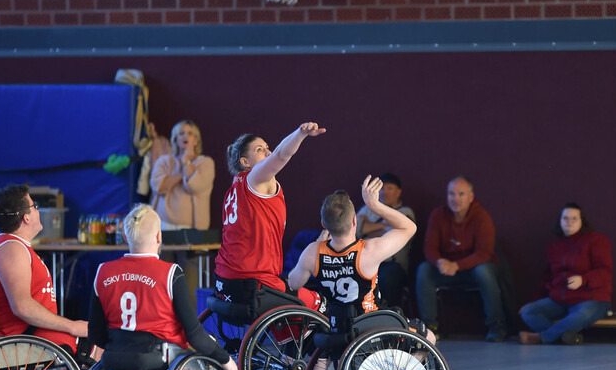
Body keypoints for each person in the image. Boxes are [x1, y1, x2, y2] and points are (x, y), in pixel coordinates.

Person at [87, 204, 240, 370]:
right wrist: (226, 360)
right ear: (159, 236)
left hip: (116, 358)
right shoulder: (170, 273)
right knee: (208, 346)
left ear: (125, 236)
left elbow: (95, 335)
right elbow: (194, 334)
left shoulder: (103, 271)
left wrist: (120, 345)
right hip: (160, 361)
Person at [289, 175, 434, 344]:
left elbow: (293, 283)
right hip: (371, 323)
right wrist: (375, 205)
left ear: (323, 223)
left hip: (334, 325)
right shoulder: (369, 250)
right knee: (428, 337)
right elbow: (410, 227)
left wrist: (317, 244)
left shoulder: (313, 251)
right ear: (354, 221)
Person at [213, 122, 326, 311]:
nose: (267, 152)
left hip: (225, 280)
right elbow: (281, 155)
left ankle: (288, 339)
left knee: (285, 312)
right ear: (245, 162)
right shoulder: (255, 178)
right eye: (259, 149)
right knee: (321, 304)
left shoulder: (234, 189)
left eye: (267, 147)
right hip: (255, 281)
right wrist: (300, 133)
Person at [0, 184, 92, 355]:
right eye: (35, 206)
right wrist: (72, 325)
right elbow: (22, 307)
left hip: (32, 333)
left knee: (93, 336)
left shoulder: (15, 246)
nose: (38, 211)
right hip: (22, 338)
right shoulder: (12, 249)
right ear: (26, 218)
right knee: (97, 341)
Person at [416, 176, 509, 342]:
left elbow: (485, 253)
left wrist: (457, 265)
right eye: (451, 194)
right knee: (424, 270)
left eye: (461, 194)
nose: (455, 199)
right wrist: (440, 262)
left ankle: (496, 326)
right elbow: (429, 248)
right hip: (446, 269)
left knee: (485, 271)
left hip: (473, 269)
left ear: (471, 197)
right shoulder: (438, 215)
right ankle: (430, 329)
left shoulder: (482, 217)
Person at [519, 203, 613, 345]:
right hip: (560, 300)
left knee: (583, 314)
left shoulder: (596, 240)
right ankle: (566, 337)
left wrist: (583, 280)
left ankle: (541, 338)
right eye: (565, 218)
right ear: (560, 222)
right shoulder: (555, 247)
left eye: (574, 218)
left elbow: (605, 272)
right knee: (528, 312)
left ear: (582, 222)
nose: (569, 222)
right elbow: (548, 277)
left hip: (592, 298)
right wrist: (535, 301)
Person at [355, 172, 415, 308]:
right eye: (382, 188)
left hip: (391, 264)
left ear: (399, 192)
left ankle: (388, 318)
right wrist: (386, 226)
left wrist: (368, 227)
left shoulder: (405, 212)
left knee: (387, 278)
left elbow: (398, 233)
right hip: (366, 261)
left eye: (390, 188)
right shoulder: (368, 208)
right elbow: (357, 229)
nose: (384, 192)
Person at [150, 120, 215, 231]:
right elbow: (158, 187)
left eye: (190, 133)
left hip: (192, 228)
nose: (185, 136)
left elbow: (193, 186)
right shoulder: (164, 161)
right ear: (175, 139)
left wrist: (186, 162)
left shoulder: (205, 163)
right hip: (163, 224)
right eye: (181, 133)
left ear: (196, 140)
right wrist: (182, 174)